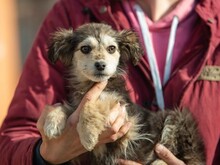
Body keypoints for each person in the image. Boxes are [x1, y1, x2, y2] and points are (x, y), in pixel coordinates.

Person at [0, 0, 219, 164]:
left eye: (110, 50)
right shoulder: (72, 11)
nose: (101, 60)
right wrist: (44, 154)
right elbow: (14, 139)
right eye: (86, 49)